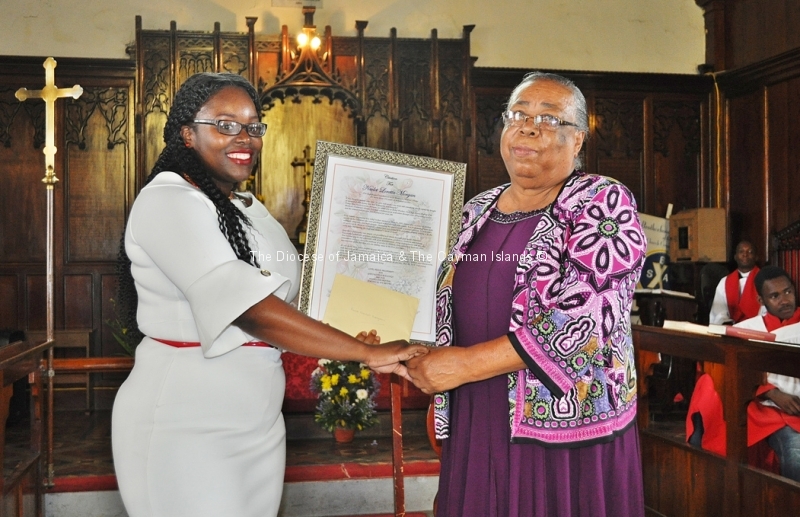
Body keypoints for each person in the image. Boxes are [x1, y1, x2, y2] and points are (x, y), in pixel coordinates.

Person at [110, 72, 427, 517]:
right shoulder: (167, 200)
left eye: (253, 126)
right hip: (186, 420)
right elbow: (252, 311)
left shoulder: (248, 208)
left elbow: (294, 298)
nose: (245, 137)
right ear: (187, 133)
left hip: (257, 421)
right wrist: (365, 353)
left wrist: (372, 313)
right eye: (225, 124)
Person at [406, 72, 647, 516]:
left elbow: (584, 320)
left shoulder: (602, 201)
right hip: (476, 409)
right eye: (518, 115)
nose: (529, 128)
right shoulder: (475, 210)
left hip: (565, 425)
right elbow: (442, 301)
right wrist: (398, 340)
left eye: (549, 119)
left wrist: (463, 365)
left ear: (578, 139)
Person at [735, 265, 800, 482]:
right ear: (761, 300)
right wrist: (771, 392)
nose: (784, 300)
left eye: (788, 291)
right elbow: (737, 371)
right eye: (774, 296)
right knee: (796, 456)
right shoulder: (748, 329)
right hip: (772, 411)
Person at [708, 240, 760, 324]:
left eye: (750, 252)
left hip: (757, 328)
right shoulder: (724, 282)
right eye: (741, 251)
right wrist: (727, 323)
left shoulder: (765, 280)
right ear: (735, 257)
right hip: (732, 327)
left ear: (756, 257)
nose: (745, 254)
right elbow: (719, 312)